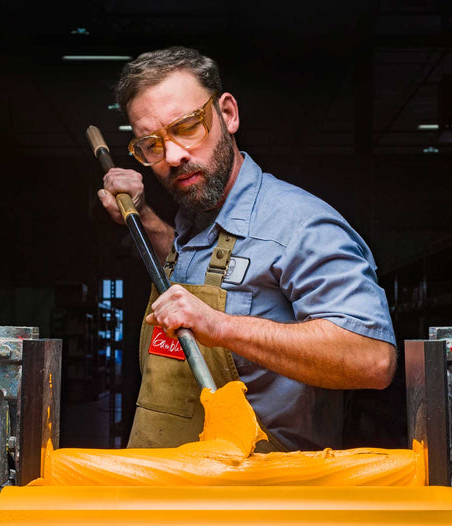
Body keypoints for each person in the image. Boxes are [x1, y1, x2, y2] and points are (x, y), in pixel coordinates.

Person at [97, 46, 396, 452]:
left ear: (229, 114)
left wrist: (221, 327)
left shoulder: (299, 224)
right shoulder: (196, 216)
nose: (174, 155)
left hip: (262, 498)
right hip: (172, 490)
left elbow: (373, 359)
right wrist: (144, 215)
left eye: (187, 126)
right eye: (152, 144)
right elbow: (193, 272)